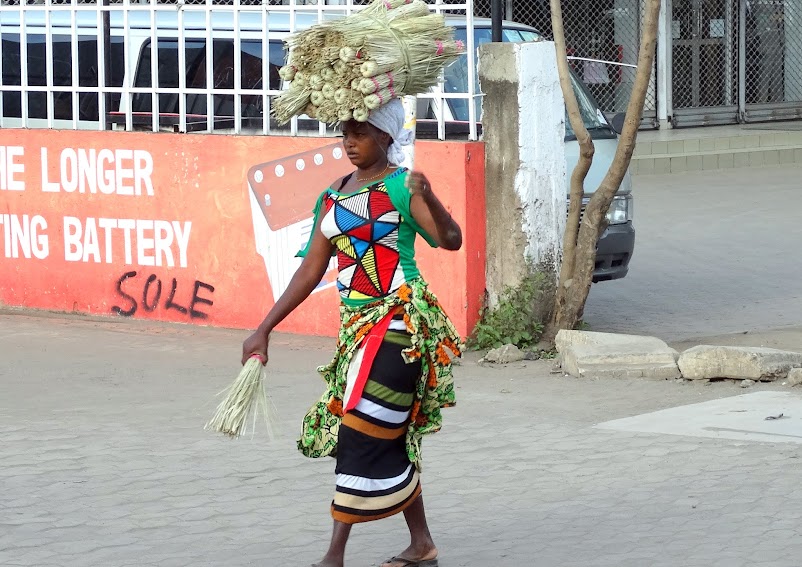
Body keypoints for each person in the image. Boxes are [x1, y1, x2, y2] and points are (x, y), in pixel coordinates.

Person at [242, 98, 463, 567]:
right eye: (345, 133)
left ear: (385, 136)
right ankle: (421, 543)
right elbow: (309, 271)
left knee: (360, 425)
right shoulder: (333, 195)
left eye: (360, 133)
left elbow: (451, 240)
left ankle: (334, 554)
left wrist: (432, 197)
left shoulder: (403, 187)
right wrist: (264, 329)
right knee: (386, 430)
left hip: (402, 323)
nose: (349, 142)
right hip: (357, 330)